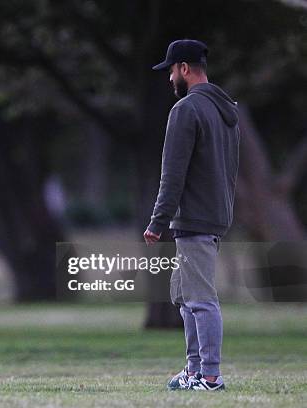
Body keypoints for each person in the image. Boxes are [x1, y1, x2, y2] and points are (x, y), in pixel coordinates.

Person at [144, 39, 240, 391]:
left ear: (184, 68)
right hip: (213, 214)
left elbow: (173, 174)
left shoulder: (186, 110)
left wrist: (157, 221)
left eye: (171, 70)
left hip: (194, 217)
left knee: (200, 299)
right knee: (185, 297)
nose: (170, 78)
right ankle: (195, 369)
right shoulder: (224, 109)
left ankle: (211, 376)